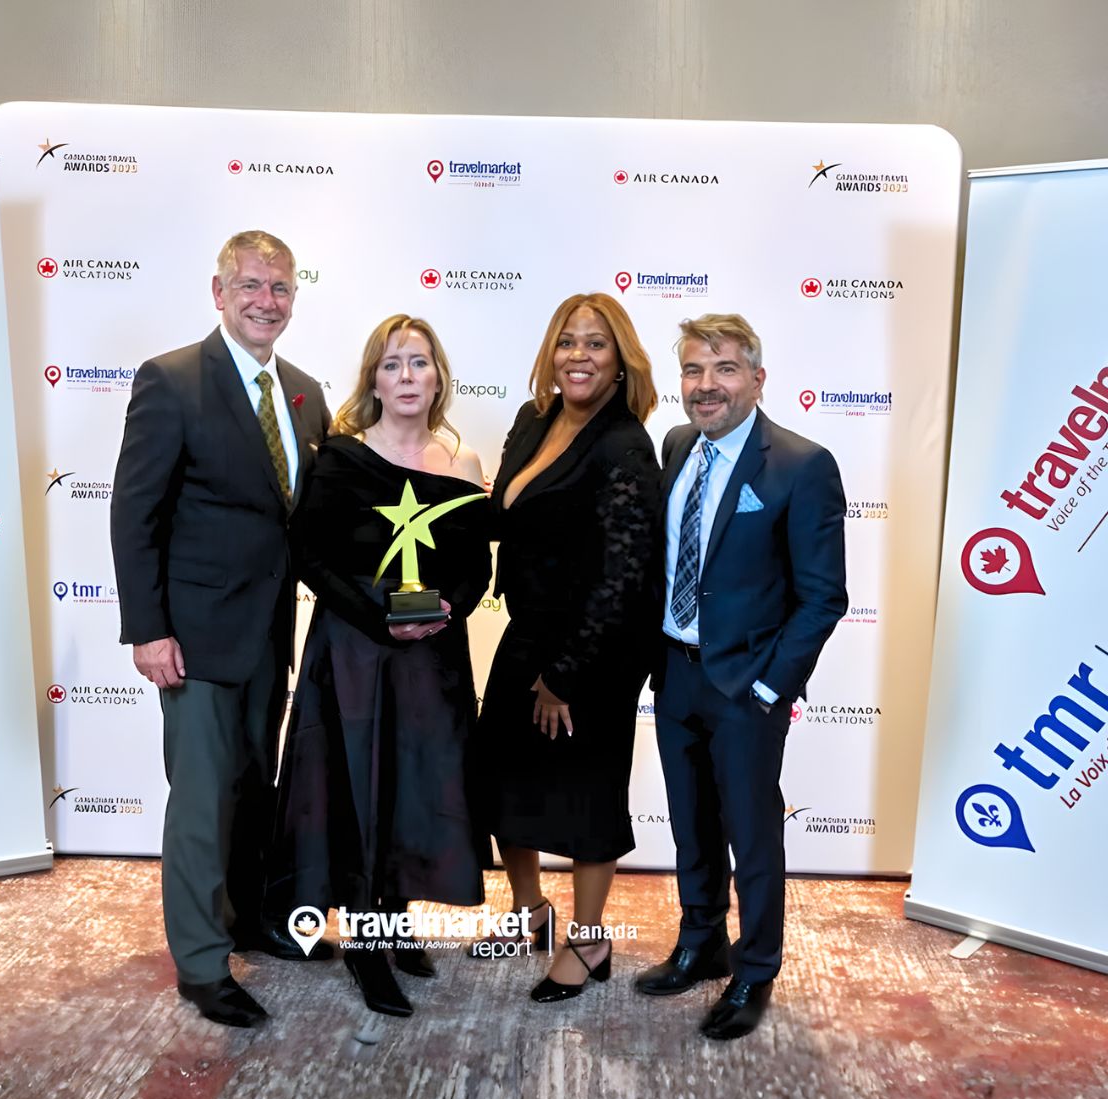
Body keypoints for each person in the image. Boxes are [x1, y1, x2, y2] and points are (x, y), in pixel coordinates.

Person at [110, 231, 331, 1028]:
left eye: (280, 288)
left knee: (253, 788)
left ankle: (249, 921)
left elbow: (306, 518)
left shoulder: (303, 392)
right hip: (195, 640)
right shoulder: (171, 380)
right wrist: (148, 630)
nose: (266, 301)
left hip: (270, 634)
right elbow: (134, 512)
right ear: (219, 292)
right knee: (202, 801)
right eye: (251, 286)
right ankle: (203, 965)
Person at [267, 315, 491, 1019]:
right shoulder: (340, 458)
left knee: (412, 786)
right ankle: (365, 942)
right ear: (373, 380)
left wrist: (447, 610)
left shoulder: (463, 464)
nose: (407, 377)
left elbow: (475, 568)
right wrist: (376, 617)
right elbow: (309, 555)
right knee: (357, 785)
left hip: (432, 658)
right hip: (355, 654)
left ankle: (395, 921)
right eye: (392, 365)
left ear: (438, 377)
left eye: (419, 363)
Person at [635, 313, 847, 1040]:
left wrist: (767, 688)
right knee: (690, 824)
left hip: (746, 689)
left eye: (724, 369)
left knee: (752, 837)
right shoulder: (675, 446)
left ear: (757, 379)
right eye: (694, 370)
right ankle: (701, 942)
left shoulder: (800, 464)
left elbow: (823, 597)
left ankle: (755, 970)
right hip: (676, 673)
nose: (706, 385)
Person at [475, 292, 660, 1002]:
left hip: (595, 651)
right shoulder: (533, 420)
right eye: (567, 341)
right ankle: (530, 913)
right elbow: (505, 515)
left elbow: (624, 575)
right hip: (528, 633)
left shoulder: (624, 445)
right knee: (501, 780)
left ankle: (589, 942)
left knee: (587, 797)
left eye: (595, 344)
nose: (578, 356)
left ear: (621, 362)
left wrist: (565, 676)